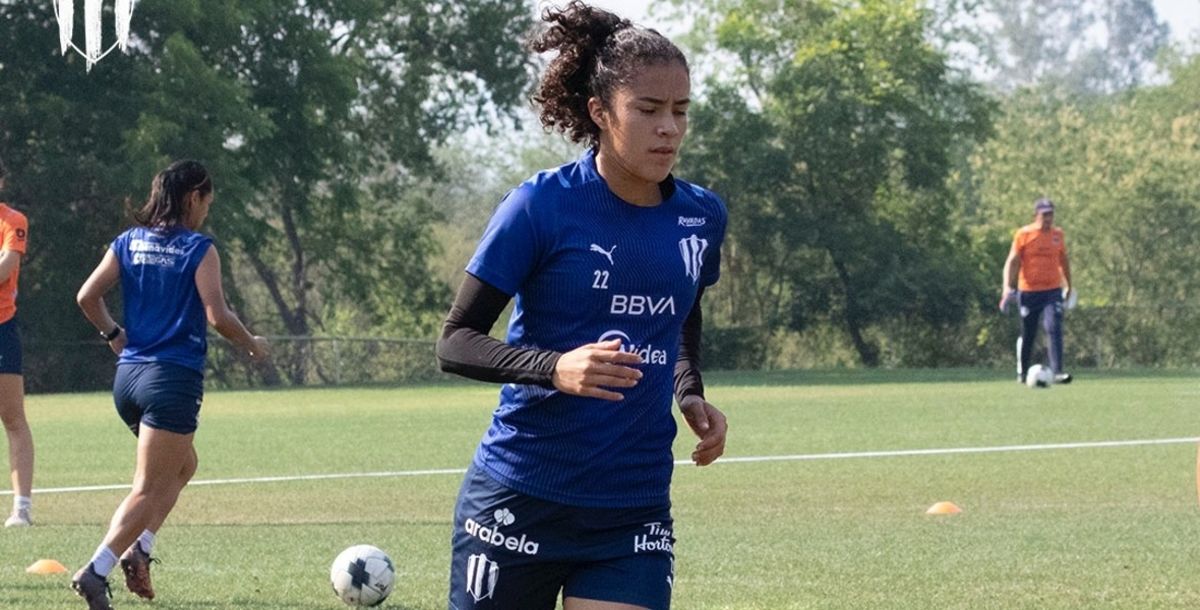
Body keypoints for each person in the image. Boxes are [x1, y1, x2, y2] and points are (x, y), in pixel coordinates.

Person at [435, 3, 728, 609]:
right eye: (647, 110)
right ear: (600, 112)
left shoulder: (702, 215)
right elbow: (456, 340)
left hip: (633, 506)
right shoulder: (539, 207)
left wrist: (689, 388)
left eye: (680, 111)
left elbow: (681, 314)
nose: (669, 128)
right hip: (520, 496)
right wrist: (554, 368)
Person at [73, 160, 270, 609]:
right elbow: (218, 316)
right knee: (147, 488)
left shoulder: (128, 241)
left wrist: (113, 334)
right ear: (192, 198)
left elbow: (87, 295)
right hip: (171, 380)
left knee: (183, 467)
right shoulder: (199, 248)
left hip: (129, 379)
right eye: (207, 203)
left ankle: (139, 549)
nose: (207, 213)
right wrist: (253, 345)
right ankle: (95, 570)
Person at [1000, 197, 1073, 384]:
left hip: (1052, 290)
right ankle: (1023, 372)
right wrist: (1007, 287)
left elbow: (1064, 261)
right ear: (1036, 215)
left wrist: (1069, 285)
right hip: (1029, 291)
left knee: (1053, 326)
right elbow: (1012, 261)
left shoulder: (1058, 235)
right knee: (1029, 333)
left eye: (1051, 214)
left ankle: (1057, 372)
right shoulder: (1024, 234)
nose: (1048, 218)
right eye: (1045, 214)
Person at [0, 157, 35, 528]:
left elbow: (5, 267)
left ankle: (21, 508)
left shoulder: (13, 221)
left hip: (2, 327)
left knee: (12, 418)